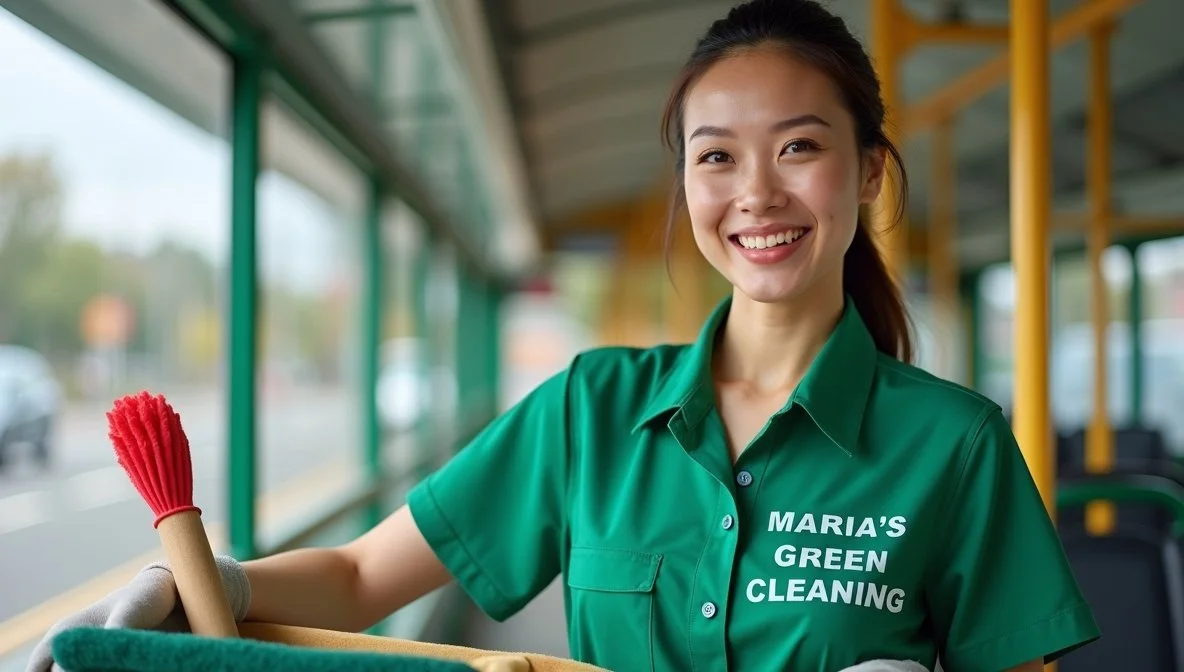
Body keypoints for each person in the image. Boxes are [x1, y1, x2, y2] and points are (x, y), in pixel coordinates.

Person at [29, 1, 1100, 671]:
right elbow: (361, 579)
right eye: (715, 156)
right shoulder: (589, 412)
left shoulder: (954, 446)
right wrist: (226, 583)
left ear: (866, 172)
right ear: (685, 184)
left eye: (799, 147)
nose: (755, 193)